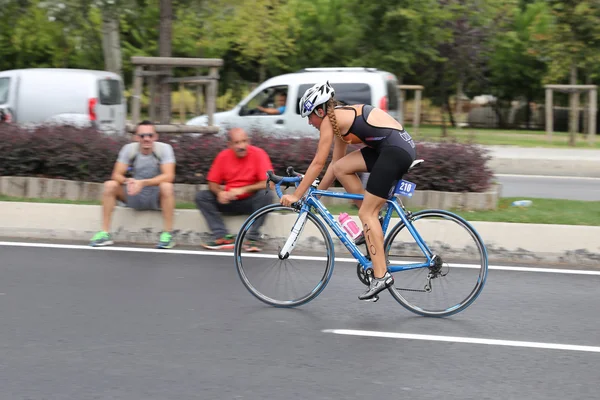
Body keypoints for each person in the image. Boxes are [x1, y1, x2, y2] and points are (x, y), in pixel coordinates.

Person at [280, 81, 417, 301]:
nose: (309, 122)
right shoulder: (337, 123)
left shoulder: (329, 122)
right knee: (343, 168)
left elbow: (317, 163)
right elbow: (335, 167)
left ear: (320, 110)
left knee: (367, 214)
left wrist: (296, 196)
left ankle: (381, 276)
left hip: (395, 152)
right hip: (393, 148)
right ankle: (371, 222)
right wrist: (315, 195)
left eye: (309, 116)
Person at [89, 120, 177, 249]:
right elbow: (116, 174)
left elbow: (169, 176)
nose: (146, 139)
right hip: (132, 193)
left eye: (150, 135)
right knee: (110, 185)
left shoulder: (164, 149)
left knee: (167, 186)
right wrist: (128, 181)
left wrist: (143, 183)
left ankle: (168, 235)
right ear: (136, 137)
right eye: (142, 136)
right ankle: (104, 233)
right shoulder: (129, 149)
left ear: (156, 137)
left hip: (155, 196)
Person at [195, 127, 274, 251]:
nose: (241, 146)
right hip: (228, 201)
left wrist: (242, 190)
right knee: (202, 197)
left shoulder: (259, 154)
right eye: (237, 143)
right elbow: (212, 182)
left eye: (244, 141)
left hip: (251, 202)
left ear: (248, 141)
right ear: (230, 144)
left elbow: (270, 183)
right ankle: (223, 237)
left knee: (267, 194)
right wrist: (220, 193)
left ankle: (253, 239)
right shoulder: (223, 156)